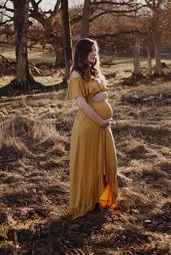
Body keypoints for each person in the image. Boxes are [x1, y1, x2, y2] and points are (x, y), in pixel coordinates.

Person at [66, 38, 118, 219]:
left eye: (96, 51)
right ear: (82, 53)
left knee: (107, 162)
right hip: (89, 126)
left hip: (103, 127)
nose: (95, 54)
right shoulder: (76, 76)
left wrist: (104, 94)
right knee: (90, 165)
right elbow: (82, 104)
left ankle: (101, 199)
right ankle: (90, 202)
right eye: (92, 51)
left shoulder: (93, 71)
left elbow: (101, 91)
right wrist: (101, 121)